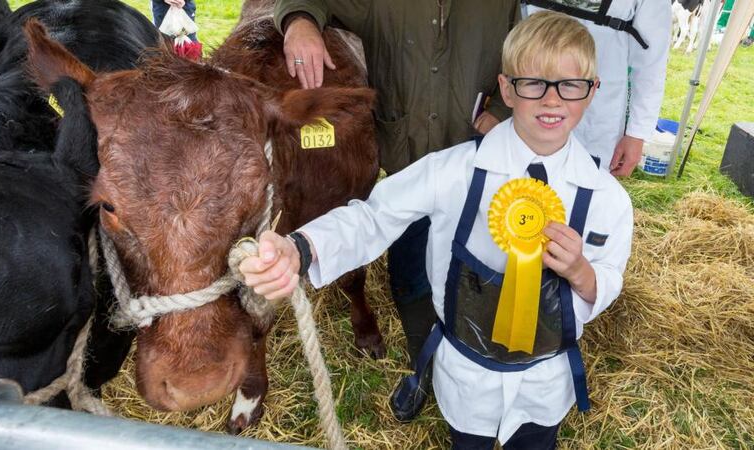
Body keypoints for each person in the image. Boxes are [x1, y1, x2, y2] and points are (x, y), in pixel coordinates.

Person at [241, 11, 633, 448]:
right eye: (532, 83)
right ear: (506, 88)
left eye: (571, 85)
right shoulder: (452, 170)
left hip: (545, 387)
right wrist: (301, 247)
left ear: (592, 91)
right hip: (467, 384)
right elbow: (373, 218)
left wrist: (583, 274)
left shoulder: (607, 197)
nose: (552, 100)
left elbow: (610, 274)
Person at [273, 0, 521, 421]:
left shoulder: (503, 5)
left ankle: (483, 375)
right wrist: (299, 23)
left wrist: (499, 110)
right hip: (408, 167)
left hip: (474, 162)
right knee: (410, 278)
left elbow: (526, 53)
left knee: (478, 273)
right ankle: (424, 366)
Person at [523, 0, 671, 177]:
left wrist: (637, 133)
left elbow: (652, 58)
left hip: (598, 109)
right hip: (528, 90)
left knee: (584, 185)